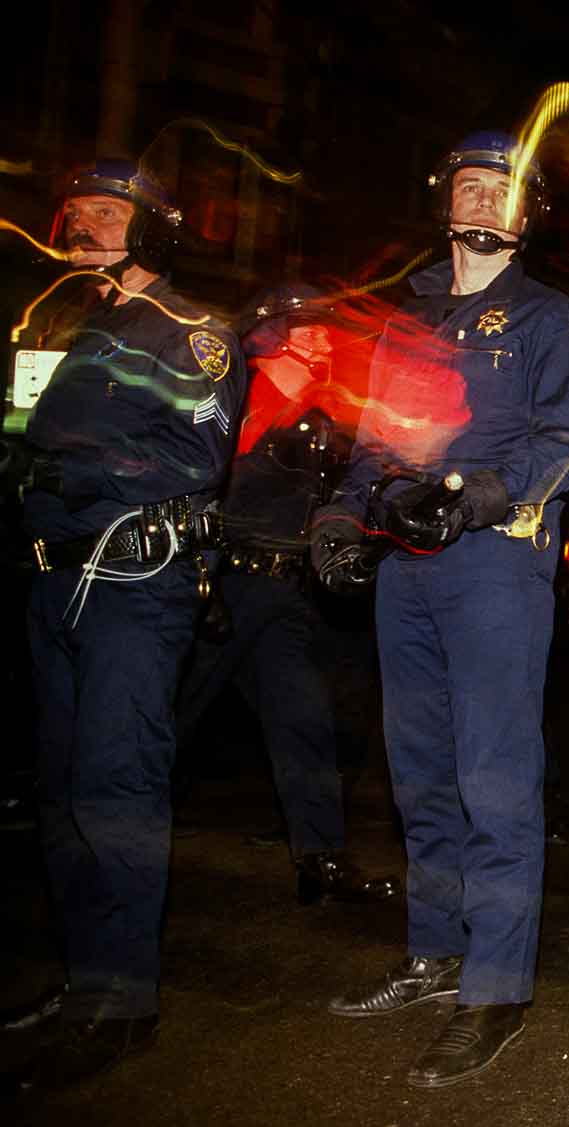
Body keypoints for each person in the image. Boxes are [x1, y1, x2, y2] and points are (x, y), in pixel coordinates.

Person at [314, 131, 569, 1087]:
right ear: (449, 202)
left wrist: (484, 492)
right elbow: (372, 438)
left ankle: (497, 985)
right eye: (470, 187)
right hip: (407, 567)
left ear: (528, 217)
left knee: (494, 776)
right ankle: (435, 953)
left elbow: (567, 446)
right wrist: (342, 515)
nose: (483, 203)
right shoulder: (409, 320)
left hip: (493, 565)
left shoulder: (554, 320)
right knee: (420, 770)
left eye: (502, 192)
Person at [15, 159, 245, 1091]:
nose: (83, 230)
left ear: (152, 229)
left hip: (133, 581)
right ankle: (82, 980)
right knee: (62, 790)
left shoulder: (196, 331)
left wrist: (85, 467)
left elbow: (195, 456)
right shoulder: (63, 325)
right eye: (75, 215)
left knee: (117, 784)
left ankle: (122, 999)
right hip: (50, 581)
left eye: (107, 217)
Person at [177, 283, 397, 904]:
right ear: (271, 338)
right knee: (164, 722)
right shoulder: (239, 397)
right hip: (224, 588)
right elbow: (208, 472)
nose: (324, 340)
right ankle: (106, 853)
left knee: (303, 719)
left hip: (280, 596)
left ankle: (320, 862)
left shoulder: (316, 413)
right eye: (308, 331)